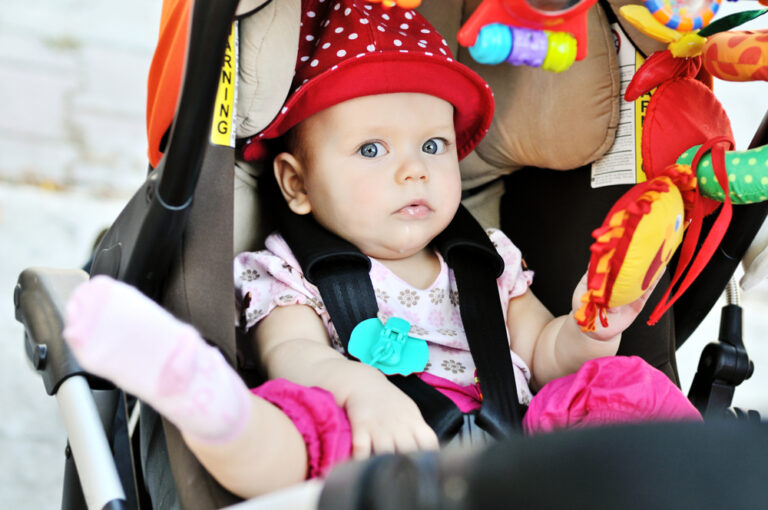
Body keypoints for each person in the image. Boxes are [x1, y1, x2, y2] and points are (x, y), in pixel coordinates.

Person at [62, 0, 698, 500]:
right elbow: (292, 353)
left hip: (519, 450)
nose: (413, 171)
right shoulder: (288, 273)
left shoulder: (491, 262)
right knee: (298, 422)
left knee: (619, 384)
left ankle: (704, 477)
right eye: (372, 150)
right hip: (370, 455)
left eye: (432, 145)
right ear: (296, 183)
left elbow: (547, 355)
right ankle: (207, 405)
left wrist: (592, 329)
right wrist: (360, 391)